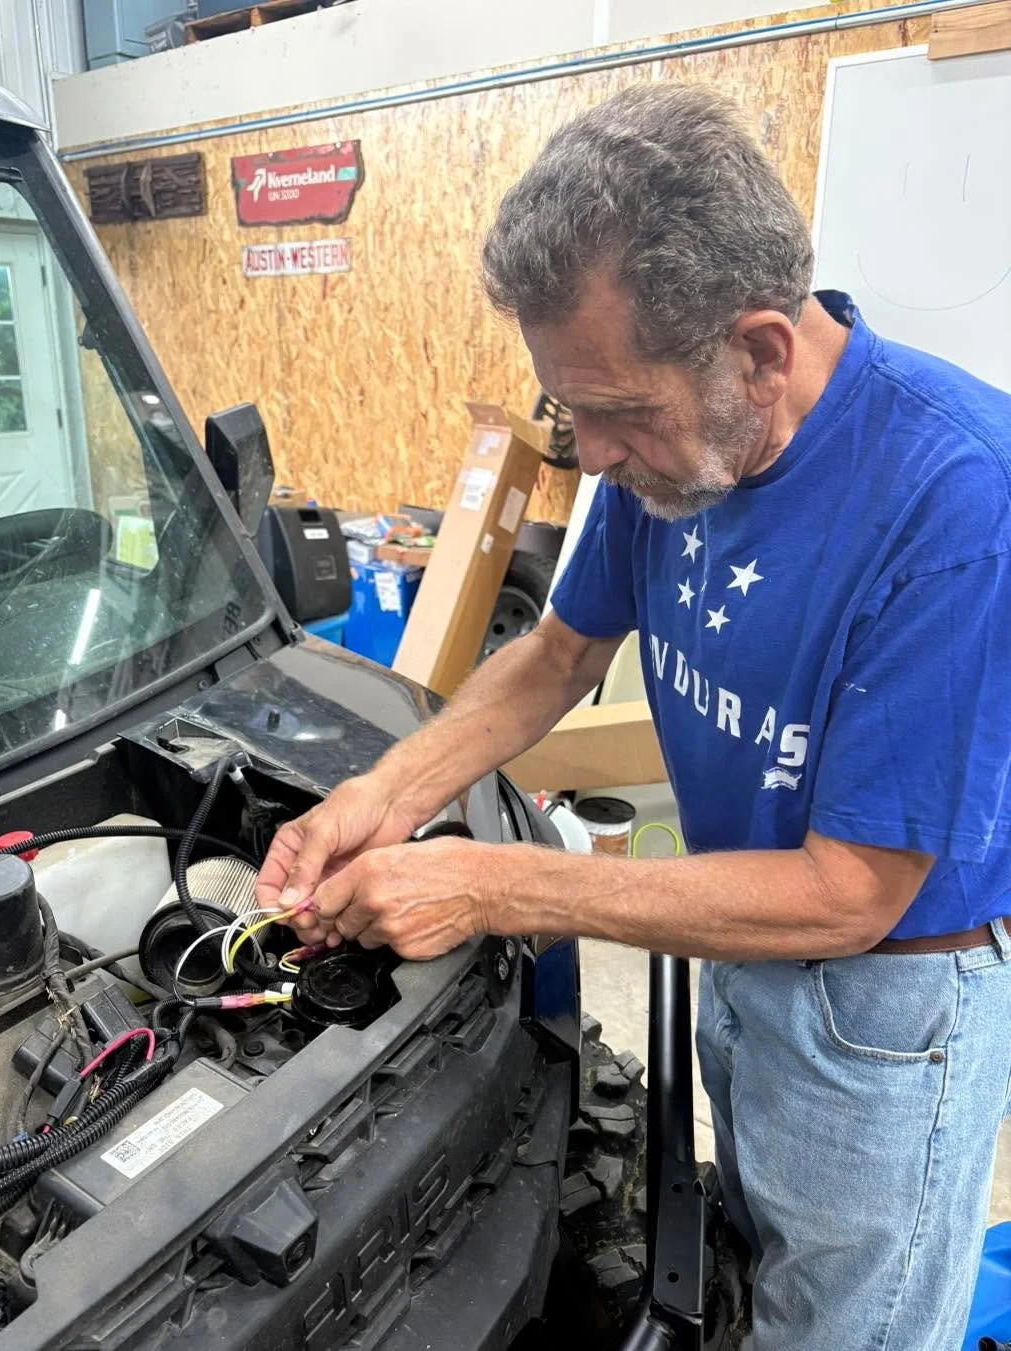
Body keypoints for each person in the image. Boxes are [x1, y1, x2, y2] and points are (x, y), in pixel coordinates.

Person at [257, 85, 1011, 1349]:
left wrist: (499, 883)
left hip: (883, 1017)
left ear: (762, 350)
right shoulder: (673, 447)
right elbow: (557, 652)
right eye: (571, 411)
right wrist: (380, 795)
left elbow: (851, 894)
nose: (591, 455)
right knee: (751, 1264)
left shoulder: (953, 498)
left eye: (619, 413)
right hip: (740, 946)